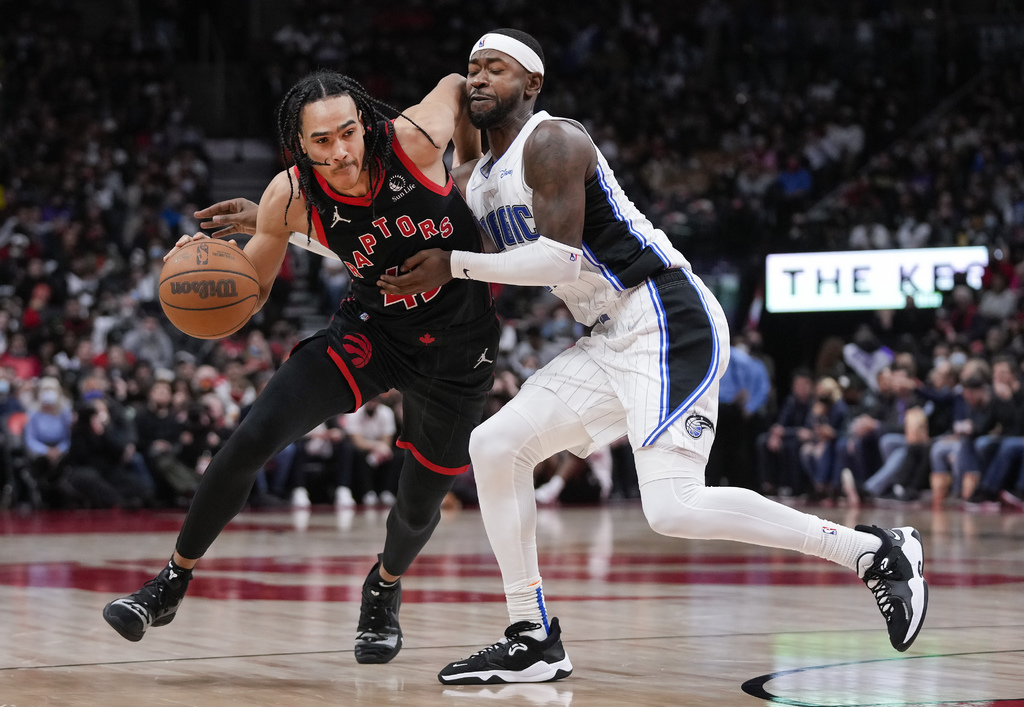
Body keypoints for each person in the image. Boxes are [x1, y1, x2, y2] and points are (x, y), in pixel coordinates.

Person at [375, 29, 929, 684]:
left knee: (671, 507)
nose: (478, 78)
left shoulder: (554, 141)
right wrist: (302, 232)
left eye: (495, 68)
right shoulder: (475, 179)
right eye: (471, 68)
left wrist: (454, 264)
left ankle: (873, 552)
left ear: (532, 83)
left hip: (664, 313)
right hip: (606, 334)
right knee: (495, 445)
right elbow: (420, 228)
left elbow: (560, 260)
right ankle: (533, 635)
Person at [102, 69, 500, 667]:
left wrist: (471, 169)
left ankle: (383, 588)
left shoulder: (414, 141)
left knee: (419, 504)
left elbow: (455, 85)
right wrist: (203, 269)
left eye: (348, 132)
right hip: (373, 333)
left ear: (364, 123)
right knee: (252, 436)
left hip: (459, 348)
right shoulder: (288, 197)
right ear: (300, 145)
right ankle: (170, 583)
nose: (340, 151)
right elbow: (250, 295)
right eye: (322, 140)